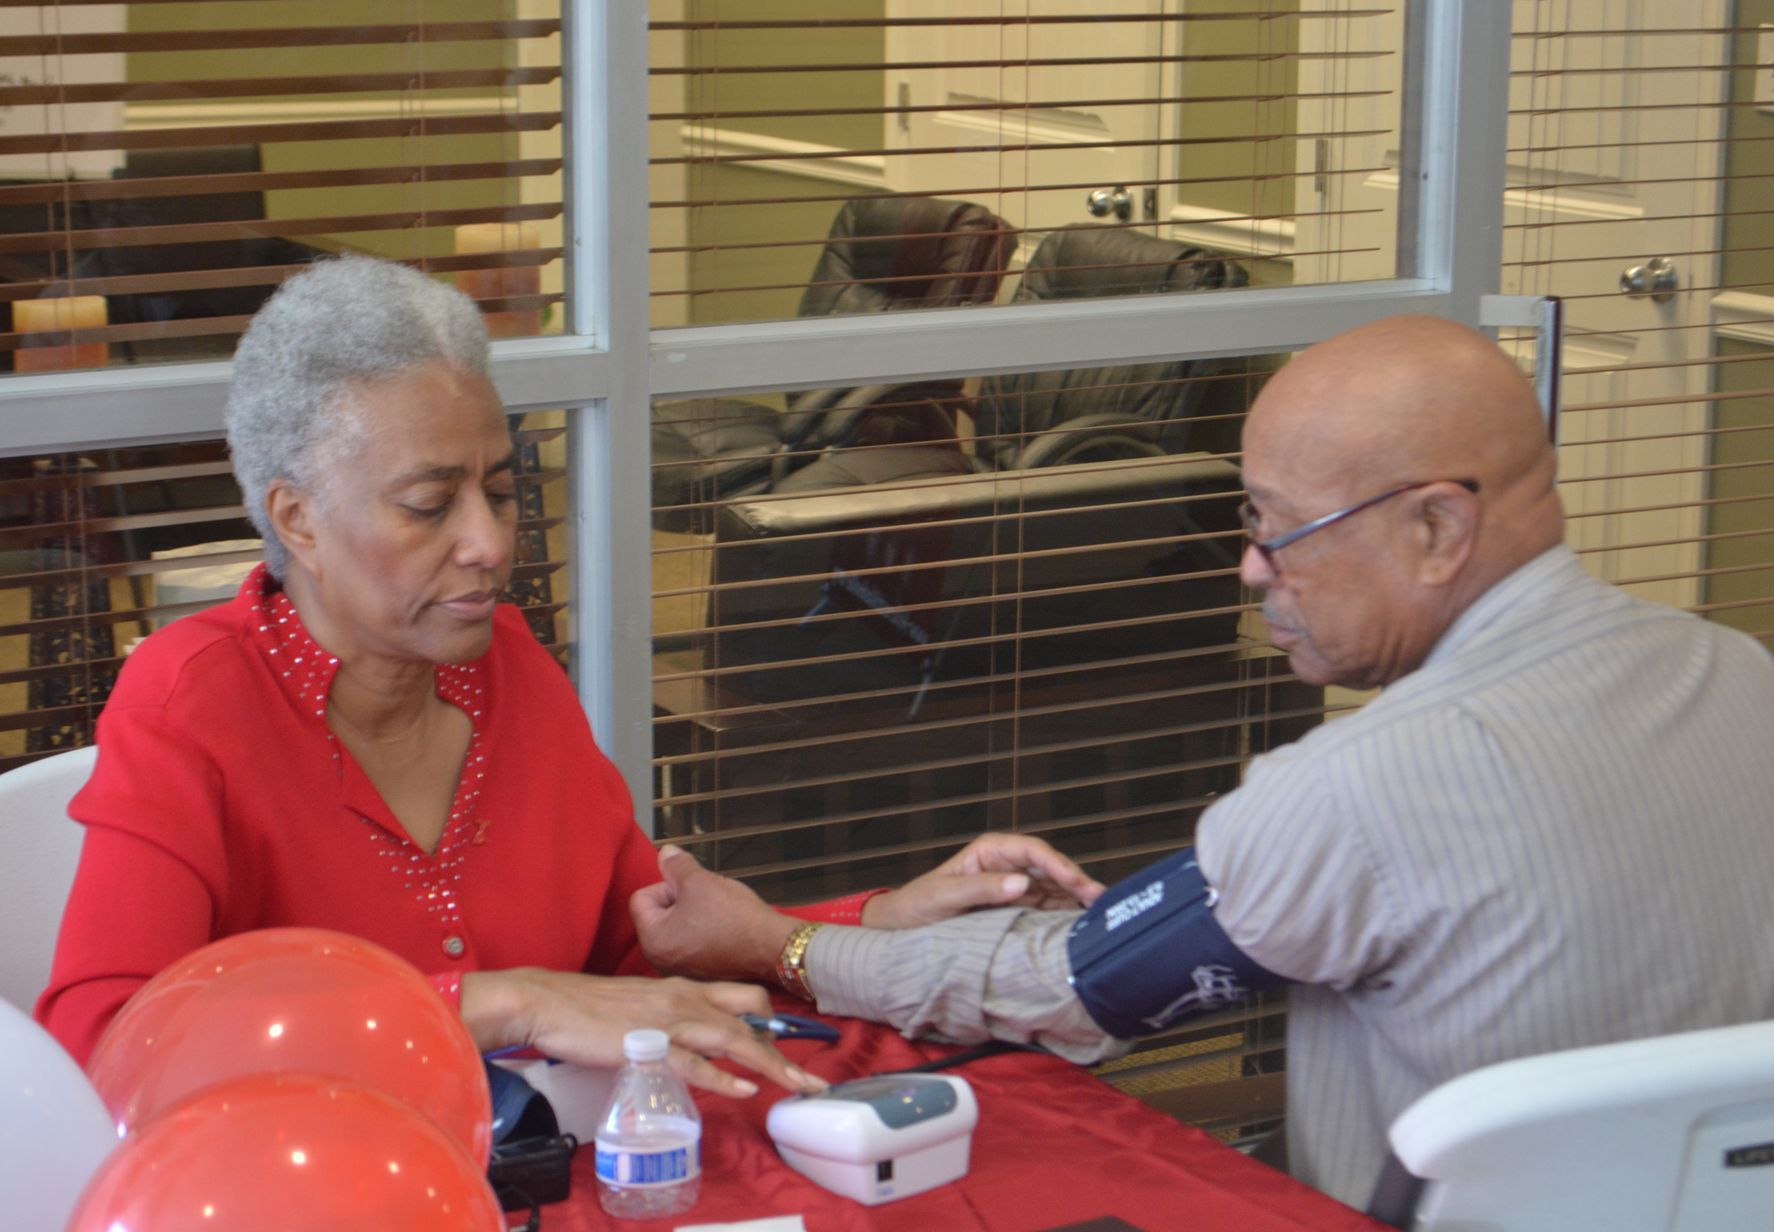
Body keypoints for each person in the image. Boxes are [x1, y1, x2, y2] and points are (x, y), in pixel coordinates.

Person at [632, 314, 1774, 1206]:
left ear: (1437, 527)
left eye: (1277, 525)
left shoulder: (1362, 787)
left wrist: (775, 940)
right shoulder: (1737, 669)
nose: (1252, 566)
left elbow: (1061, 989)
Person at [35, 255, 1097, 1098]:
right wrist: (509, 1002)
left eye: (499, 491)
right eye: (430, 505)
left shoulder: (511, 669)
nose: (490, 543)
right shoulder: (191, 698)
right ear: (297, 519)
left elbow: (653, 954)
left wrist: (880, 924)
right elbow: (108, 1041)